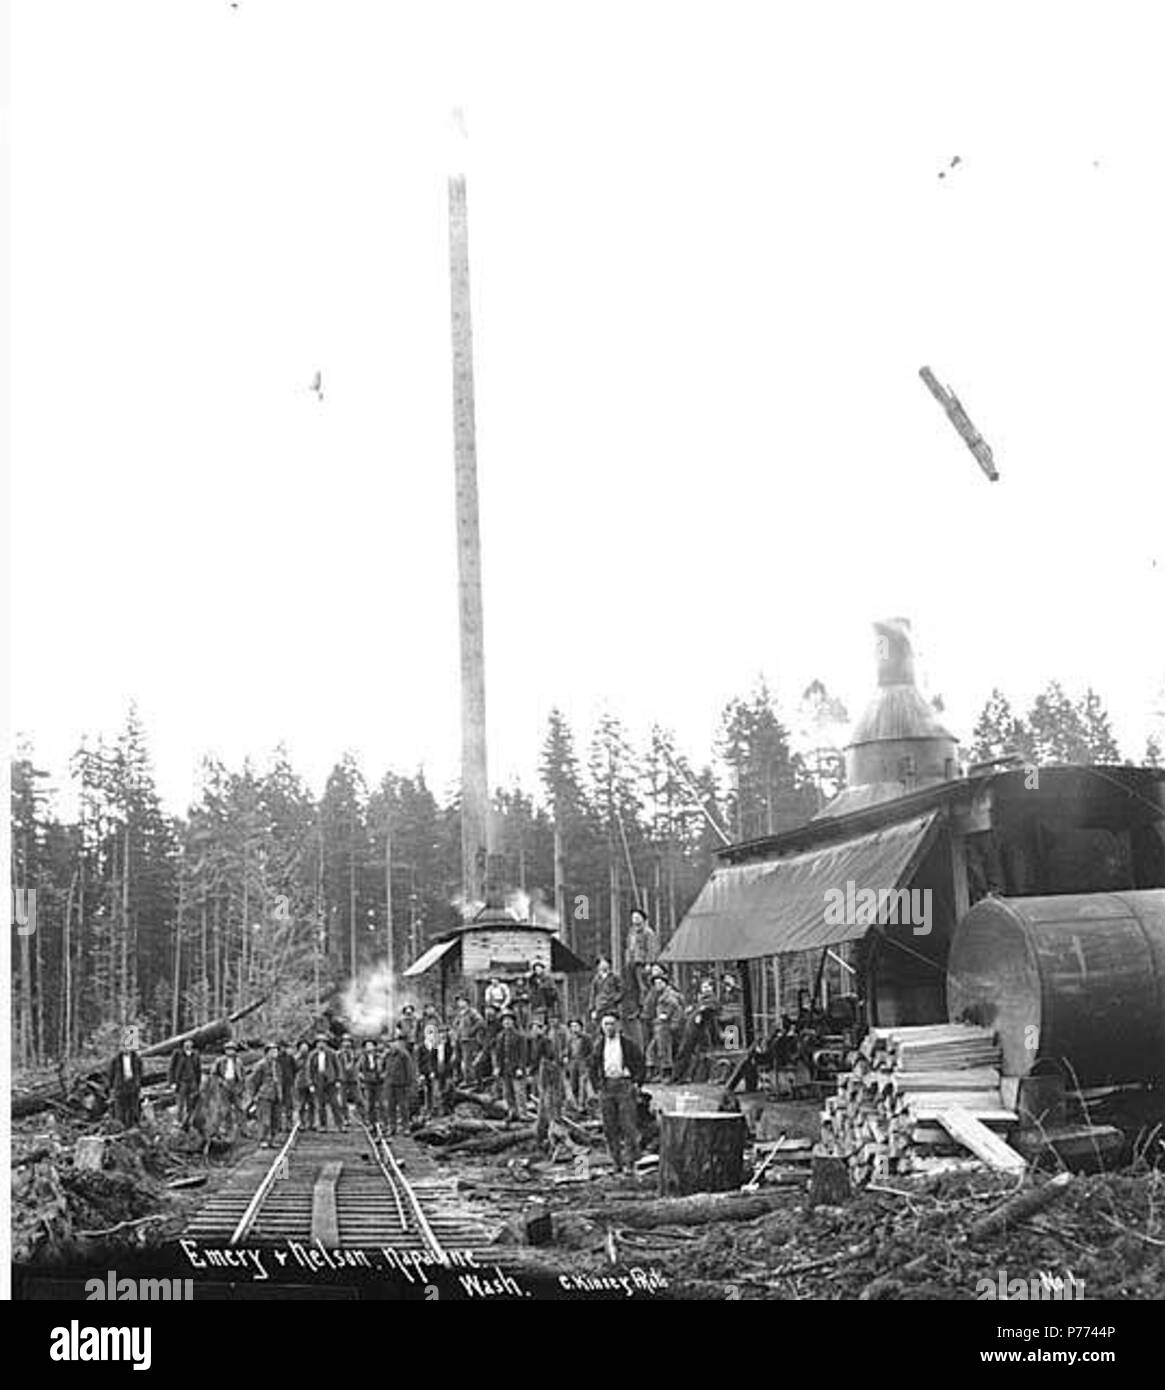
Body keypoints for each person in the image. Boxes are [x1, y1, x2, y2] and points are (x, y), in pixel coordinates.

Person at [587, 1009, 646, 1175]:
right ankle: (616, 1162)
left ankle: (630, 1163)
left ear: (619, 1025)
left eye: (612, 1024)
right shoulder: (599, 1045)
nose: (609, 1027)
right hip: (607, 1087)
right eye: (606, 1024)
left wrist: (637, 1083)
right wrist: (597, 1086)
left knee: (628, 1126)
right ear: (601, 1026)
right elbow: (592, 1066)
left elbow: (640, 1063)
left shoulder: (628, 1044)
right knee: (609, 1127)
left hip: (625, 1085)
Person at [642, 965, 685, 1082]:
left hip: (665, 1026)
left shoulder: (669, 995)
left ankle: (666, 1073)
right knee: (653, 1049)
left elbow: (676, 1008)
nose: (657, 985)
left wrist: (670, 1020)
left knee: (663, 1050)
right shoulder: (659, 994)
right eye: (656, 983)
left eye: (660, 983)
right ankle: (656, 1072)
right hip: (659, 1025)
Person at [675, 980, 722, 1083]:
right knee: (693, 1052)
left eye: (707, 987)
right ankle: (687, 1076)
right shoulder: (700, 1001)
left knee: (691, 1051)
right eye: (704, 987)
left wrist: (701, 1012)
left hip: (700, 1030)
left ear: (712, 988)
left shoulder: (711, 1001)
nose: (706, 989)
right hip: (696, 1030)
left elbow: (711, 1009)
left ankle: (685, 1076)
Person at [528, 1017, 564, 1148]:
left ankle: (551, 1129)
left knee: (548, 1100)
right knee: (541, 1098)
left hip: (546, 1072)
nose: (534, 1031)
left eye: (537, 1028)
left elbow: (549, 1056)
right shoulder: (532, 1041)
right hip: (537, 1070)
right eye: (533, 1028)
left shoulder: (546, 1041)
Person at [492, 1011, 528, 1123]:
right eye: (505, 1021)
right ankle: (512, 1112)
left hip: (516, 1069)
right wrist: (497, 1067)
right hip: (505, 1069)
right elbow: (498, 1054)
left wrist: (520, 1068)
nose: (507, 1022)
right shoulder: (500, 1036)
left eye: (509, 1020)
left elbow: (523, 1054)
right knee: (507, 1093)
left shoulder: (519, 1036)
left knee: (519, 1092)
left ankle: (523, 1114)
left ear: (513, 1022)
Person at [416, 1024, 455, 1120]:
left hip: (447, 1072)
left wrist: (451, 1071)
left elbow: (452, 1060)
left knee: (447, 1090)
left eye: (444, 1033)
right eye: (441, 1033)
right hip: (436, 1072)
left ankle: (446, 1110)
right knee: (435, 1092)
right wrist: (432, 1071)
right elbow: (431, 1060)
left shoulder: (450, 1046)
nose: (443, 1036)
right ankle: (436, 1111)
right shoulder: (434, 1047)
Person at [248, 1044, 284, 1148]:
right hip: (264, 1095)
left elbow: (280, 1080)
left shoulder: (277, 1065)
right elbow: (253, 1080)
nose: (275, 1053)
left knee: (275, 1119)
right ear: (267, 1053)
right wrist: (254, 1095)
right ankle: (263, 1139)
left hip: (276, 1094)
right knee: (265, 1120)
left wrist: (280, 1094)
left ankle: (273, 1139)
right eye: (272, 1051)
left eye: (276, 1051)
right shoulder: (261, 1065)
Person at [382, 1029, 416, 1136]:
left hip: (401, 1085)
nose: (392, 1045)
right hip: (390, 1084)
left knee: (403, 1107)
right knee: (390, 1107)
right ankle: (392, 1127)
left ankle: (406, 1127)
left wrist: (410, 1084)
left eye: (394, 1042)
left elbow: (410, 1070)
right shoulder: (387, 1055)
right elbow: (383, 1068)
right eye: (390, 1043)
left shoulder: (404, 1055)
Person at [309, 1033, 344, 1131]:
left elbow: (338, 1067)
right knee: (320, 1104)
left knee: (335, 1103)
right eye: (319, 1042)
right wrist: (310, 1083)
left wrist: (338, 1079)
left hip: (331, 1080)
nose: (321, 1045)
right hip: (318, 1080)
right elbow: (310, 1069)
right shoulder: (313, 1055)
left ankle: (340, 1124)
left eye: (323, 1042)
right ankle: (323, 1124)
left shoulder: (332, 1053)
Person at [168, 1038, 202, 1131]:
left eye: (190, 1043)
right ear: (183, 1044)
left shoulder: (196, 1054)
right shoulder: (177, 1054)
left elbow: (198, 1070)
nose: (188, 1044)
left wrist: (198, 1084)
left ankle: (188, 1122)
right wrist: (172, 1082)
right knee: (180, 1103)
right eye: (186, 1043)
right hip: (181, 1082)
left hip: (192, 1083)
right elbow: (171, 1068)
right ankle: (178, 1121)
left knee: (191, 1104)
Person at [213, 1041, 247, 1134]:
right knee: (225, 1108)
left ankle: (243, 1129)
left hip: (235, 1084)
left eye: (232, 1050)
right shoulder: (219, 1061)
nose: (230, 1052)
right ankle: (226, 1127)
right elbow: (214, 1073)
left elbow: (243, 1074)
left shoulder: (238, 1061)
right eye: (228, 1050)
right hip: (224, 1085)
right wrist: (221, 1081)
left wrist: (241, 1086)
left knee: (240, 1108)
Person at [108, 1041, 144, 1128]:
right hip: (120, 1085)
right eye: (123, 1047)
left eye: (127, 1047)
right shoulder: (115, 1060)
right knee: (120, 1107)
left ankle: (132, 1125)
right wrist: (112, 1087)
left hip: (132, 1085)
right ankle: (120, 1126)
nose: (125, 1049)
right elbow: (111, 1074)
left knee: (132, 1106)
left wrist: (138, 1084)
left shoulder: (136, 1058)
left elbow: (140, 1072)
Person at [452, 995, 485, 1087]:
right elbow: (455, 1025)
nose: (460, 1003)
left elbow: (480, 1022)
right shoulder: (459, 1014)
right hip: (459, 1040)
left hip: (469, 1040)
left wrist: (471, 1031)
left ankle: (470, 1080)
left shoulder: (472, 1012)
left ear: (467, 1002)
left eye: (462, 1001)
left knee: (467, 1061)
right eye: (458, 1001)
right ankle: (459, 1078)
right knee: (456, 1060)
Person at [564, 1018, 594, 1111]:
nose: (574, 1028)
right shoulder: (570, 1039)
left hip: (583, 1062)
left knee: (583, 1084)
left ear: (581, 1027)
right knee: (573, 1084)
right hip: (573, 1062)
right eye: (572, 1026)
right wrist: (566, 1059)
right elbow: (568, 1052)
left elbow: (591, 1052)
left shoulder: (587, 1038)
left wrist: (588, 1062)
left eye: (576, 1026)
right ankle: (576, 1104)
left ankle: (583, 1105)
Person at [588, 957, 623, 1032]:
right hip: (600, 1007)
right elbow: (593, 994)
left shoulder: (614, 977)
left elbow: (621, 990)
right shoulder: (596, 979)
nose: (603, 966)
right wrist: (592, 1009)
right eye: (601, 964)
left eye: (605, 964)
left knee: (613, 1027)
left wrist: (615, 999)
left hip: (611, 1007)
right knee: (600, 1030)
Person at [358, 1038, 383, 1128]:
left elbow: (383, 1068)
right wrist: (361, 1076)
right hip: (367, 1082)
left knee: (380, 1102)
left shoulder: (379, 1057)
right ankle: (370, 1121)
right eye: (367, 1046)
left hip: (378, 1082)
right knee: (369, 1103)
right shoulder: (362, 1058)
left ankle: (380, 1122)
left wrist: (382, 1075)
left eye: (371, 1045)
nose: (369, 1048)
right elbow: (359, 1069)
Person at [337, 1035, 360, 1125]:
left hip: (353, 1079)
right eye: (344, 1042)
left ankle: (361, 1118)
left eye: (348, 1042)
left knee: (358, 1099)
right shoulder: (338, 1054)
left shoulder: (355, 1054)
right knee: (342, 1101)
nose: (346, 1044)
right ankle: (345, 1118)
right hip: (342, 1079)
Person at [276, 1040, 298, 1132]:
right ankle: (279, 1124)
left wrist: (291, 1078)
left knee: (289, 1104)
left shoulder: (290, 1058)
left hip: (288, 1083)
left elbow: (295, 1069)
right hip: (277, 1084)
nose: (283, 1049)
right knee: (278, 1105)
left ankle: (289, 1124)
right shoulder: (275, 1058)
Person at [294, 1041, 315, 1129]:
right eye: (302, 1048)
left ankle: (311, 1123)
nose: (304, 1050)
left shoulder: (311, 1057)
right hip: (300, 1083)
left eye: (306, 1048)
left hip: (311, 1083)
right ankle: (302, 1122)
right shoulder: (296, 1058)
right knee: (301, 1104)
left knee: (312, 1104)